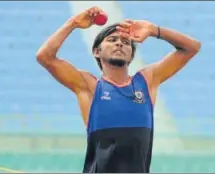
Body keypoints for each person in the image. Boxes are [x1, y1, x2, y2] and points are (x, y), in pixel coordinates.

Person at [36, 6, 201, 173]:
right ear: (97, 51)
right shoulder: (89, 86)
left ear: (131, 55)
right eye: (112, 40)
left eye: (125, 42)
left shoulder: (146, 81)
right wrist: (73, 23)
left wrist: (154, 30)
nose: (119, 44)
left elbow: (192, 47)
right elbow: (45, 57)